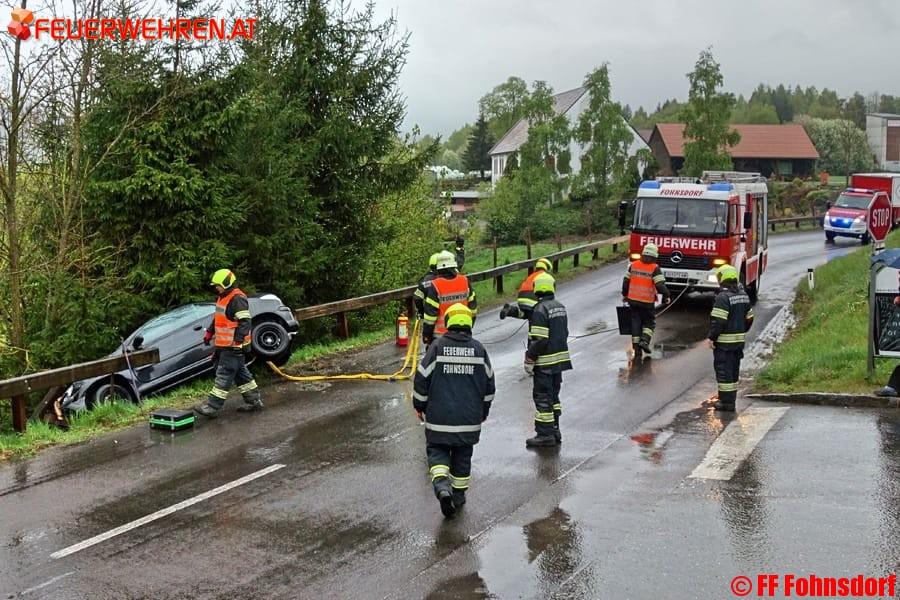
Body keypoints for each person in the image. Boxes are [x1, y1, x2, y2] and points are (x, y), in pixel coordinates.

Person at [413, 303, 495, 518]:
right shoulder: (479, 350)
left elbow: (421, 379)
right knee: (462, 457)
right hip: (469, 420)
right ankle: (458, 496)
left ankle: (442, 487)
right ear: (470, 323)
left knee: (437, 452)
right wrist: (483, 410)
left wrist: (419, 405)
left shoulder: (437, 347)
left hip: (438, 419)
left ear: (448, 322)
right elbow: (489, 387)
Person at [193, 269, 262, 417]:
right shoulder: (223, 297)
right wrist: (209, 332)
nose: (216, 288)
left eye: (218, 285)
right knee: (241, 375)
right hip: (226, 346)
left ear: (226, 283)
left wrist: (237, 342)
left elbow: (245, 322)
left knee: (224, 374)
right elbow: (219, 318)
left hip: (233, 347)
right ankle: (254, 401)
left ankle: (212, 407)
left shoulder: (237, 299)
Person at [524, 272, 572, 447]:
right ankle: (555, 429)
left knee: (543, 397)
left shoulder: (539, 309)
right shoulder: (559, 306)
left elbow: (540, 339)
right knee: (554, 397)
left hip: (544, 363)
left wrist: (530, 357)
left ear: (536, 289)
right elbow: (564, 333)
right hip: (559, 362)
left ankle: (545, 435)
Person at [707, 264, 754, 412]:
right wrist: (741, 331)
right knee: (734, 371)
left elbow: (718, 321)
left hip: (724, 344)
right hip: (738, 342)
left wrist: (712, 338)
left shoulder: (722, 297)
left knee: (724, 372)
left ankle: (726, 403)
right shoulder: (743, 294)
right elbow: (750, 318)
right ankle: (731, 400)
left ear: (722, 278)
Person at [622, 243, 670, 357]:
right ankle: (644, 341)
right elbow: (660, 285)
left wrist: (625, 295)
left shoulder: (633, 265)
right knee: (649, 323)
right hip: (647, 302)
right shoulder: (654, 268)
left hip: (632, 301)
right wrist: (667, 295)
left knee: (635, 324)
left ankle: (636, 348)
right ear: (654, 256)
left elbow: (625, 282)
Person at [422, 251, 477, 347]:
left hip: (440, 336)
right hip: (464, 333)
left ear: (438, 269)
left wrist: (427, 336)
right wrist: (469, 326)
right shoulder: (464, 281)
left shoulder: (435, 285)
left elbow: (430, 317)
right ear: (453, 266)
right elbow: (473, 308)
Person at [413, 253, 440, 319]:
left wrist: (421, 311)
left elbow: (417, 297)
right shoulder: (450, 277)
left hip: (431, 314)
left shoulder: (426, 280)